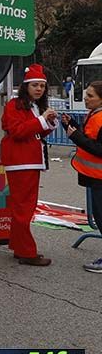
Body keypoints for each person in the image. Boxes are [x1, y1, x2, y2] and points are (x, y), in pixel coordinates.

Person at [1, 64, 57, 267]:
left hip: (29, 161)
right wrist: (42, 120)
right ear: (26, 86)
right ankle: (26, 251)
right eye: (35, 85)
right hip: (21, 162)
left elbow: (34, 133)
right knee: (24, 208)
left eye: (42, 86)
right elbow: (17, 131)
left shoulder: (33, 106)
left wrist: (49, 123)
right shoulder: (14, 105)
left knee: (23, 207)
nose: (39, 89)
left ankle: (19, 247)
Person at [63, 79, 102, 273]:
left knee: (101, 216)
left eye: (90, 96)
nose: (85, 99)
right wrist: (70, 126)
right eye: (86, 94)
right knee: (98, 214)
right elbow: (88, 138)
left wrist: (75, 136)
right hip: (94, 176)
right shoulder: (93, 115)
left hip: (100, 178)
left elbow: (98, 148)